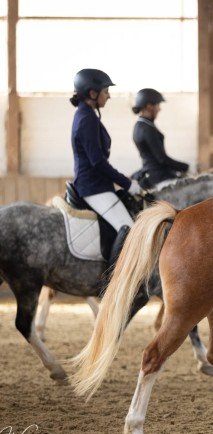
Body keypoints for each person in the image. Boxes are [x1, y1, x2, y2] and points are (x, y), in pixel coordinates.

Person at [69, 68, 142, 278]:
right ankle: (111, 281)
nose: (108, 95)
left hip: (97, 184)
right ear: (92, 93)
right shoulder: (86, 119)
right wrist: (127, 183)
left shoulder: (86, 114)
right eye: (105, 91)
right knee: (127, 228)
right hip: (93, 187)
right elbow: (98, 162)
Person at [131, 88, 189, 189]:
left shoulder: (139, 125)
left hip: (153, 173)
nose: (159, 109)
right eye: (158, 105)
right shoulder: (147, 129)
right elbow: (162, 159)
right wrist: (185, 167)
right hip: (160, 177)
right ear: (149, 106)